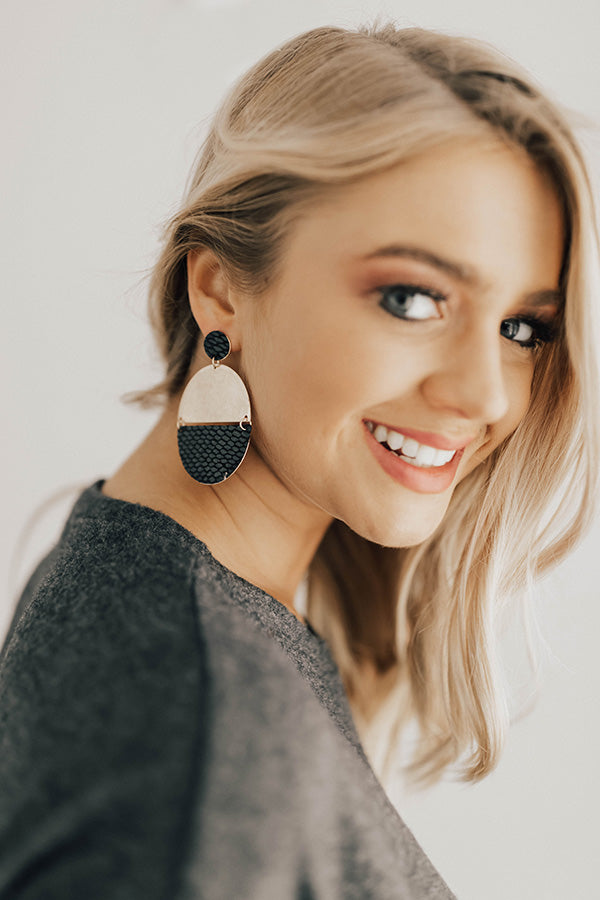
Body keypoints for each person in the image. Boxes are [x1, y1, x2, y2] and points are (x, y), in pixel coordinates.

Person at [1, 19, 599, 900]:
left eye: (522, 328)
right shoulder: (203, 734)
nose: (485, 395)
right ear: (219, 288)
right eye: (412, 299)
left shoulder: (148, 572)